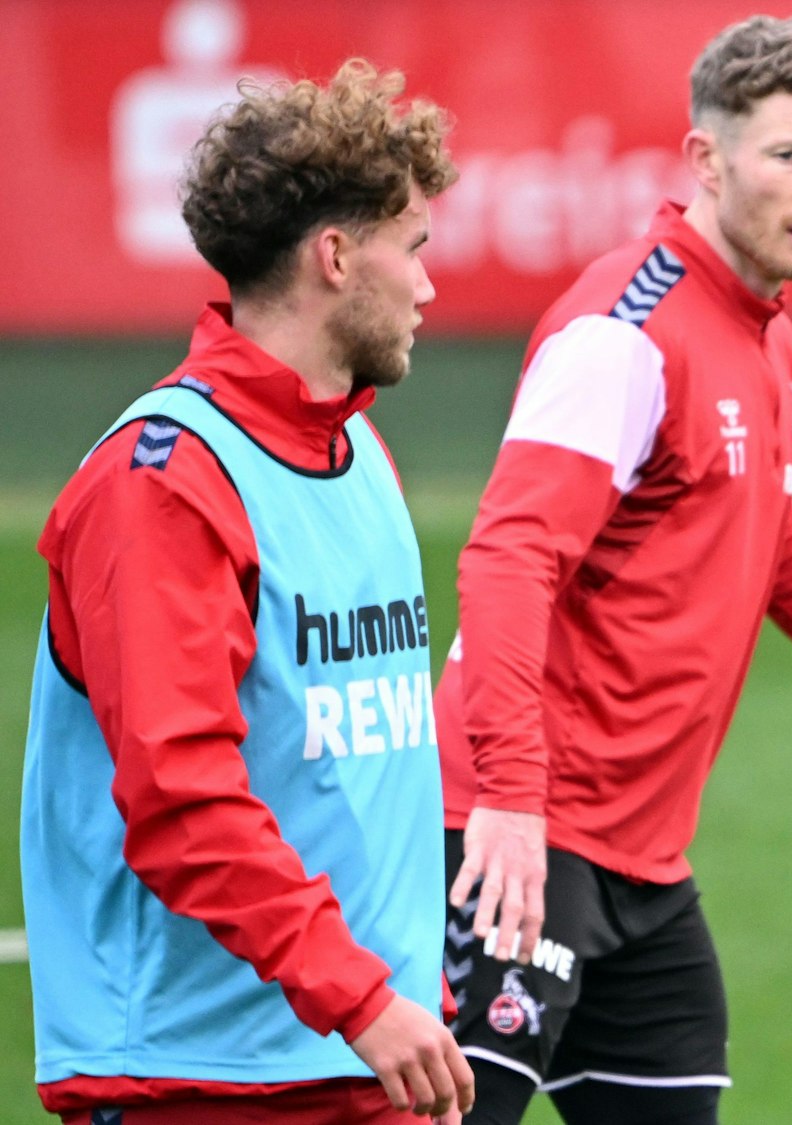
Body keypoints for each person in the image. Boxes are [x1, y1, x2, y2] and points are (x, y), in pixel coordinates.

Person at [432, 15, 792, 1125]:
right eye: (790, 156)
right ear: (708, 160)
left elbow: (767, 530)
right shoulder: (624, 331)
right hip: (521, 838)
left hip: (642, 861)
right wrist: (507, 805)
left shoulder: (768, 337)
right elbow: (509, 559)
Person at [21, 60, 474, 1124]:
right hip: (212, 1083)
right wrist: (360, 997)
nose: (427, 285)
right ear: (334, 256)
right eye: (410, 249)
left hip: (369, 1059)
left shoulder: (358, 444)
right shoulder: (165, 482)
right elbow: (182, 800)